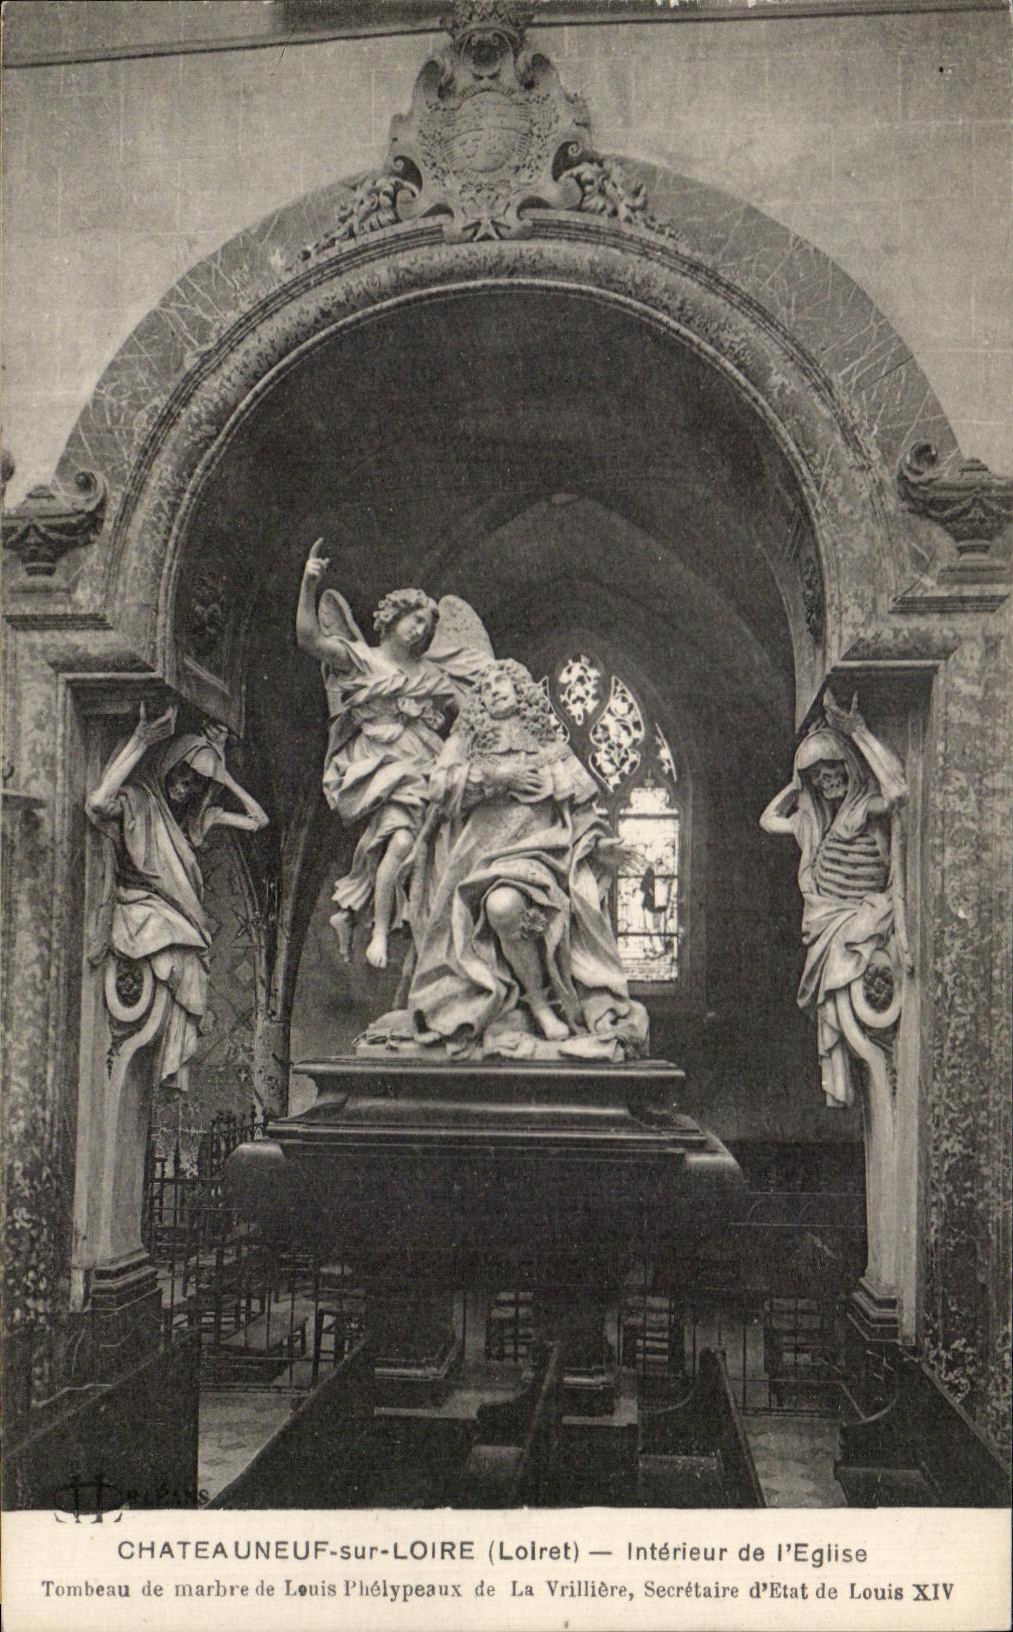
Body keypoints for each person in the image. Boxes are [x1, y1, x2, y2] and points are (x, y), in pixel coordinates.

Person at [390, 659, 648, 1059]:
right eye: (486, 686)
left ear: (522, 691)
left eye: (503, 682)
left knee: (504, 905)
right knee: (490, 910)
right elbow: (439, 786)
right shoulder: (467, 742)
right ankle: (525, 1007)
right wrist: (498, 778)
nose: (495, 689)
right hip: (476, 856)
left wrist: (599, 846)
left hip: (541, 852)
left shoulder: (550, 747)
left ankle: (542, 1005)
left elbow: (580, 811)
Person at [296, 539, 470, 970]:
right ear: (393, 616)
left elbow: (470, 712)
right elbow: (308, 638)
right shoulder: (361, 659)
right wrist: (308, 583)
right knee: (403, 840)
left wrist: (452, 745)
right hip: (383, 767)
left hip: (426, 766)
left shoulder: (432, 675)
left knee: (427, 854)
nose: (419, 632)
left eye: (427, 630)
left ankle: (356, 914)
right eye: (415, 621)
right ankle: (378, 933)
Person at [85, 703, 268, 1087]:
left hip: (178, 916)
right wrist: (141, 740)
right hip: (143, 907)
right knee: (175, 959)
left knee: (185, 969)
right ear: (166, 766)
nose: (183, 791)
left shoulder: (195, 821)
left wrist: (224, 776)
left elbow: (258, 820)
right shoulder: (137, 799)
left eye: (192, 787)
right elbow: (99, 802)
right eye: (181, 779)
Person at [759, 689, 911, 1107]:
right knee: (835, 1008)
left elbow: (898, 792)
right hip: (827, 919)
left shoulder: (863, 807)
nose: (828, 785)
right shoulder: (814, 822)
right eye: (819, 780)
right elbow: (769, 821)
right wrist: (794, 785)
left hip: (855, 918)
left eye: (833, 774)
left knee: (845, 993)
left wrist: (858, 733)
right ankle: (842, 1080)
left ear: (848, 769)